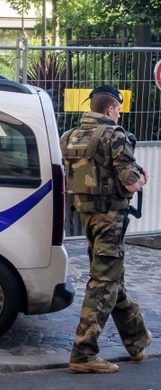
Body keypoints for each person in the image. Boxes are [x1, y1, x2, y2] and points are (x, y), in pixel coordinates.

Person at [61, 85, 152, 374]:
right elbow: (128, 181)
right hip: (111, 220)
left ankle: (137, 341)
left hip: (86, 217)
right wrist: (141, 179)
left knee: (111, 279)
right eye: (119, 111)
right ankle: (83, 353)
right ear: (111, 110)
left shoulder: (69, 136)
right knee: (103, 283)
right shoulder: (114, 135)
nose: (120, 116)